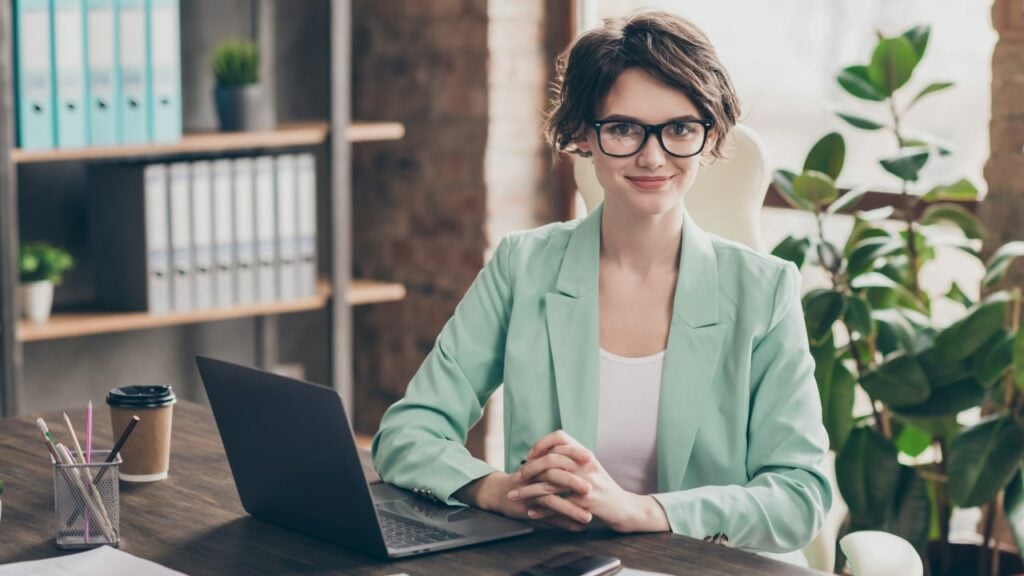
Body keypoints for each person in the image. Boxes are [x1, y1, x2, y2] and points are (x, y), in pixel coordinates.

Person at [372, 9, 831, 566]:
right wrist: (499, 491)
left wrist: (647, 510)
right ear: (583, 135)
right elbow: (408, 431)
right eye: (623, 128)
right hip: (563, 563)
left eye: (680, 128)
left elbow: (800, 497)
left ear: (711, 138)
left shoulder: (765, 291)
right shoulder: (524, 267)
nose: (653, 156)